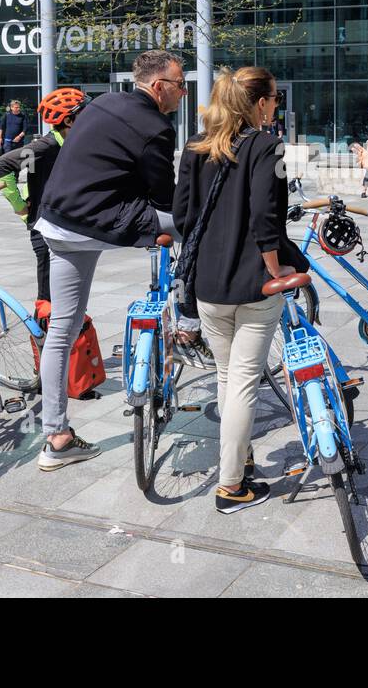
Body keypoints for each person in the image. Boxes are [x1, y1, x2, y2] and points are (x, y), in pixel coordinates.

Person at [32, 49, 187, 471]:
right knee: (194, 226)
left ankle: (56, 437)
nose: (183, 91)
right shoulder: (156, 126)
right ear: (159, 87)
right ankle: (191, 319)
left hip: (55, 224)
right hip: (99, 221)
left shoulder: (101, 103)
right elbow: (164, 196)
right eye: (179, 84)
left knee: (62, 329)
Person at [174, 67, 303, 513]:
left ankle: (239, 455)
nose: (275, 109)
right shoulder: (267, 145)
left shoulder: (195, 148)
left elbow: (182, 216)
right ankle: (231, 487)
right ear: (263, 103)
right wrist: (275, 268)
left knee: (228, 377)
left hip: (207, 282)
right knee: (245, 381)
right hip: (254, 280)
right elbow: (267, 215)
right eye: (274, 101)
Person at [0, 88, 88, 307]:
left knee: (66, 295)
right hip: (43, 227)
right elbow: (3, 164)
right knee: (47, 298)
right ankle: (43, 336)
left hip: (62, 224)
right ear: (69, 121)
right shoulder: (46, 146)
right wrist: (20, 207)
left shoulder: (70, 142)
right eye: (84, 113)